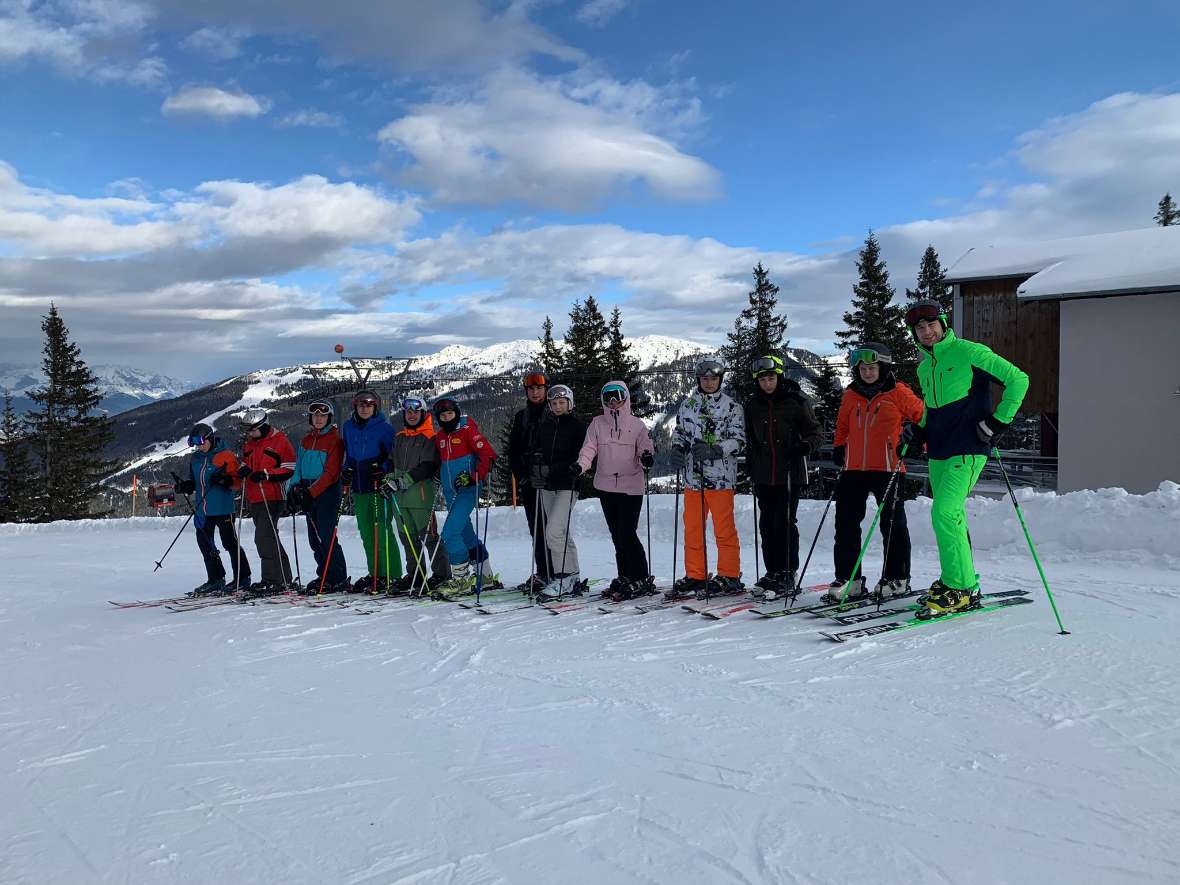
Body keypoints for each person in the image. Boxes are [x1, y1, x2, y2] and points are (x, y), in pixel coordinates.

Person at [903, 299, 1029, 618]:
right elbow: (933, 409)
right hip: (940, 449)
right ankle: (955, 581)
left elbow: (1018, 379)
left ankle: (961, 588)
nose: (927, 332)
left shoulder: (970, 352)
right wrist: (919, 431)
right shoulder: (924, 366)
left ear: (943, 324)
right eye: (919, 328)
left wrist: (998, 422)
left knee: (946, 512)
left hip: (969, 446)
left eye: (931, 325)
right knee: (944, 516)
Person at [825, 343, 925, 604]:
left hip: (889, 467)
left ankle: (896, 578)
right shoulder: (850, 395)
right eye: (863, 368)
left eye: (872, 367)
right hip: (854, 469)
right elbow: (843, 425)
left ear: (883, 367)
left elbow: (923, 417)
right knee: (845, 525)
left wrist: (916, 442)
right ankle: (850, 580)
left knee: (891, 525)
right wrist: (839, 446)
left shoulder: (898, 392)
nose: (868, 372)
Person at [742, 355, 823, 601]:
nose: (767, 383)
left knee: (785, 522)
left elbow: (816, 432)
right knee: (766, 524)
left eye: (771, 378)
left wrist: (805, 446)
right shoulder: (752, 405)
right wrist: (751, 465)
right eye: (763, 379)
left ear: (779, 376)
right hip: (764, 473)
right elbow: (751, 439)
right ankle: (772, 571)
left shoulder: (797, 401)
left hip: (790, 472)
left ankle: (788, 571)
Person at [667, 359, 746, 598]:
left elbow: (739, 439)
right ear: (698, 380)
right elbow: (680, 432)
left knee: (724, 529)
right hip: (693, 479)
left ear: (720, 380)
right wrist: (677, 449)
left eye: (713, 379)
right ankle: (696, 575)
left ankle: (729, 575)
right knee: (692, 529)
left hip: (721, 479)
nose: (709, 383)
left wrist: (717, 450)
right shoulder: (688, 405)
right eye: (704, 379)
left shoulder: (732, 407)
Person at [574, 380, 656, 601]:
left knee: (626, 532)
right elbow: (589, 448)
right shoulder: (597, 424)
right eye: (608, 396)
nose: (613, 401)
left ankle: (640, 576)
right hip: (606, 486)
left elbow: (646, 448)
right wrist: (580, 466)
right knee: (617, 535)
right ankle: (625, 575)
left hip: (631, 486)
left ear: (625, 397)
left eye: (617, 395)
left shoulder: (637, 425)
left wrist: (647, 458)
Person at [380, 396, 450, 593]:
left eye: (415, 412)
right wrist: (389, 479)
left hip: (420, 495)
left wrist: (403, 481)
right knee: (407, 538)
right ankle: (416, 574)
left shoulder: (430, 437)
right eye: (408, 412)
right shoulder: (400, 437)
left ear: (423, 413)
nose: (411, 415)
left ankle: (441, 574)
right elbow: (393, 463)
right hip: (400, 498)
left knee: (428, 537)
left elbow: (428, 466)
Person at [173, 422, 250, 595]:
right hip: (202, 510)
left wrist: (226, 481)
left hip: (223, 508)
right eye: (194, 443)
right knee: (206, 545)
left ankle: (243, 578)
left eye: (201, 441)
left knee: (230, 543)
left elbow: (238, 483)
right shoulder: (196, 459)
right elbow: (194, 482)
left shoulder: (226, 456)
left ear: (210, 438)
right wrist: (185, 486)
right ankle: (216, 579)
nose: (199, 446)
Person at [430, 397, 498, 595]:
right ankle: (484, 576)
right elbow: (441, 462)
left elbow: (488, 455)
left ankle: (460, 579)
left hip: (467, 490)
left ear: (457, 413)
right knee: (465, 534)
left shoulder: (467, 431)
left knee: (449, 534)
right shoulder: (440, 437)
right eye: (443, 416)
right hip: (451, 492)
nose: (447, 418)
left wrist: (473, 477)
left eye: (450, 414)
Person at [527, 384, 587, 598]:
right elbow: (536, 450)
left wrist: (552, 469)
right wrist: (535, 466)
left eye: (562, 402)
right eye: (554, 403)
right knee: (560, 532)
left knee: (553, 531)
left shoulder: (578, 427)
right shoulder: (545, 426)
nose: (558, 406)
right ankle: (573, 576)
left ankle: (563, 578)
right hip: (547, 486)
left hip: (567, 486)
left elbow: (581, 457)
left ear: (570, 403)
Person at [340, 390, 401, 593]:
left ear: (375, 407)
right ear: (355, 407)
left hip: (378, 486)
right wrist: (346, 471)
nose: (365, 409)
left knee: (381, 530)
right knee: (366, 533)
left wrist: (382, 469)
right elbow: (349, 454)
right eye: (361, 405)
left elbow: (393, 457)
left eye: (369, 405)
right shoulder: (348, 427)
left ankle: (391, 574)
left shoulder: (384, 428)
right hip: (359, 487)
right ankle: (376, 573)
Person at [287, 401, 349, 594]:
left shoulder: (335, 440)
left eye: (323, 416)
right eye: (315, 416)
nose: (319, 419)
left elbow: (331, 473)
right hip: (308, 490)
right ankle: (324, 574)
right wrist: (293, 489)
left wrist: (310, 493)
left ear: (329, 418)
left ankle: (337, 578)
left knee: (326, 536)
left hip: (327, 492)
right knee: (315, 538)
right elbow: (298, 467)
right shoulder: (306, 440)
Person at [236, 408, 296, 594]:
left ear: (263, 426)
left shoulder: (279, 441)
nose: (249, 434)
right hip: (255, 497)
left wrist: (267, 474)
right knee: (269, 538)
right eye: (248, 431)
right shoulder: (250, 443)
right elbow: (246, 462)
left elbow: (289, 468)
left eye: (252, 430)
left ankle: (273, 579)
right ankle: (282, 578)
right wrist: (243, 469)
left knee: (263, 538)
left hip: (272, 496)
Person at [504, 371, 553, 593]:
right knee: (537, 528)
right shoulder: (521, 417)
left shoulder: (554, 413)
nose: (535, 392)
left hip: (552, 481)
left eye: (539, 389)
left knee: (554, 528)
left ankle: (560, 571)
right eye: (531, 389)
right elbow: (513, 450)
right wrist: (521, 475)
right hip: (529, 481)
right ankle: (544, 571)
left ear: (546, 390)